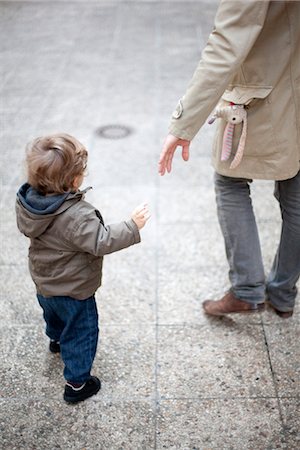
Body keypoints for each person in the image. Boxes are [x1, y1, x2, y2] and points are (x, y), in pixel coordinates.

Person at [159, 1, 300, 318]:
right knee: (296, 188)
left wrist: (184, 123)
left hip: (266, 92)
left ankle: (247, 289)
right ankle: (282, 293)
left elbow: (227, 44)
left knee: (230, 181)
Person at [16, 133, 150, 403]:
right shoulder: (77, 215)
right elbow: (101, 240)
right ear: (73, 180)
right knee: (82, 330)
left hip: (44, 281)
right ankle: (77, 383)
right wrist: (132, 226)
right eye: (81, 172)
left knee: (52, 314)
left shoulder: (29, 204)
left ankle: (56, 341)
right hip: (75, 289)